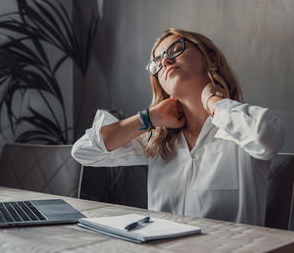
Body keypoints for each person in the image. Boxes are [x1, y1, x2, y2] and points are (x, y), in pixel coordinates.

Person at [71, 28, 285, 226]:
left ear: (209, 57)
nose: (165, 60)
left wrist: (213, 101)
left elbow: (265, 137)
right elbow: (84, 151)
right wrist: (150, 117)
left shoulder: (240, 130)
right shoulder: (157, 140)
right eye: (157, 61)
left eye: (175, 50)